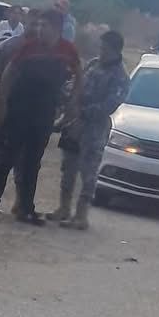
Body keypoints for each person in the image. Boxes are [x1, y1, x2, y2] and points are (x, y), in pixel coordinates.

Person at [0, 9, 82, 224]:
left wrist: (73, 102)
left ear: (57, 29)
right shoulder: (28, 47)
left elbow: (79, 74)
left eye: (45, 27)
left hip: (44, 110)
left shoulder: (67, 49)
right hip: (19, 107)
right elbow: (9, 72)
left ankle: (26, 209)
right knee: (7, 156)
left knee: (33, 162)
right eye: (39, 26)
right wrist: (1, 102)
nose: (40, 30)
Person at [48, 31, 129, 230]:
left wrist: (82, 111)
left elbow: (110, 105)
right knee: (68, 168)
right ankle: (64, 208)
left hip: (93, 130)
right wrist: (67, 97)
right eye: (100, 47)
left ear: (114, 50)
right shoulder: (93, 64)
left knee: (88, 173)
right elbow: (76, 84)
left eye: (104, 48)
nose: (100, 51)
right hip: (73, 124)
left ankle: (81, 215)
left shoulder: (120, 76)